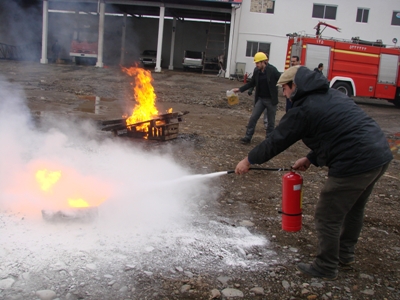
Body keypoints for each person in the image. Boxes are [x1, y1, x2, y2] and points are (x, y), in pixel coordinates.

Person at [235, 66, 393, 280]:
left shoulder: (303, 109)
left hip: (355, 162)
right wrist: (311, 158)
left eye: (285, 88)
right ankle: (344, 256)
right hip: (379, 154)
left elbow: (277, 140)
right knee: (354, 209)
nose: (283, 93)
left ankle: (326, 266)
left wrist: (249, 160)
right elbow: (335, 132)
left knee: (327, 215)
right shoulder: (331, 95)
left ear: (295, 86)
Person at [233, 52, 281, 144]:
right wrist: (240, 89)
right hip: (261, 99)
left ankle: (269, 140)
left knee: (271, 122)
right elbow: (252, 83)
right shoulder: (257, 71)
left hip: (271, 100)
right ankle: (247, 137)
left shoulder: (273, 70)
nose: (256, 65)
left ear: (264, 62)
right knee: (253, 118)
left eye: (258, 63)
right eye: (256, 63)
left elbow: (282, 79)